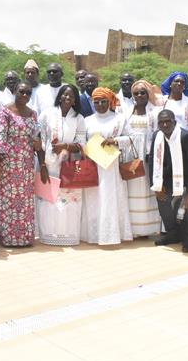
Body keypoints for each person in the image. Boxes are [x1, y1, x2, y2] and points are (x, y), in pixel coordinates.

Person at [0, 80, 47, 247]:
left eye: (28, 93)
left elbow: (37, 139)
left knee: (25, 203)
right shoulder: (4, 112)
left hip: (27, 166)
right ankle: (8, 238)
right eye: (21, 92)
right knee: (8, 202)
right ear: (14, 91)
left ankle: (25, 238)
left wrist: (42, 165)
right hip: (8, 166)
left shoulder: (33, 114)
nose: (24, 95)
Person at [80, 87, 133, 245]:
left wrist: (115, 141)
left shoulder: (120, 118)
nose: (101, 105)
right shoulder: (87, 120)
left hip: (112, 167)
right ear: (92, 103)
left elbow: (131, 138)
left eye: (104, 101)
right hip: (93, 165)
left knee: (110, 198)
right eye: (97, 102)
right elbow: (81, 140)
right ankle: (94, 234)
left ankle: (111, 235)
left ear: (110, 102)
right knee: (93, 199)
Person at [148, 109, 188, 253]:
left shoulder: (185, 137)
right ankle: (173, 234)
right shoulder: (157, 136)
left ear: (174, 121)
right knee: (163, 203)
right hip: (168, 179)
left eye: (168, 121)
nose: (165, 124)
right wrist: (156, 185)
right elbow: (152, 161)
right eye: (161, 122)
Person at [37, 84, 87, 246]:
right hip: (49, 164)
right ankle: (48, 234)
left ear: (75, 100)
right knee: (49, 199)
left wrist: (65, 146)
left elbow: (81, 143)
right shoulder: (47, 114)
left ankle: (67, 234)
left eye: (71, 96)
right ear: (59, 96)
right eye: (65, 95)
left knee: (68, 200)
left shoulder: (78, 118)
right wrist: (43, 164)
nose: (67, 98)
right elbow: (39, 139)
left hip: (69, 165)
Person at [122, 79, 162, 238]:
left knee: (148, 190)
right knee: (131, 191)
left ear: (148, 94)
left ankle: (148, 228)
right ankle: (133, 229)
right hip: (131, 158)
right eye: (136, 93)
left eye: (142, 92)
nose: (139, 95)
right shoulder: (126, 113)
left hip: (148, 158)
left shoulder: (156, 112)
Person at [160, 71, 188, 146]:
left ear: (184, 86)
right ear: (170, 84)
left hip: (187, 143)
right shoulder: (162, 102)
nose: (179, 84)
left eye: (182, 82)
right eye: (176, 81)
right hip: (166, 143)